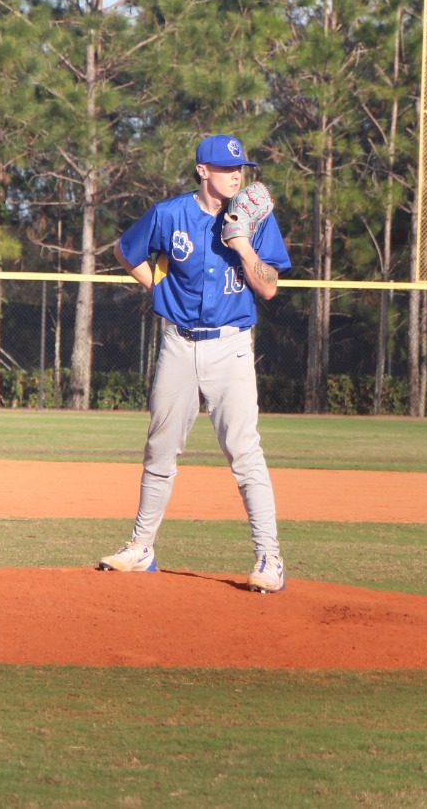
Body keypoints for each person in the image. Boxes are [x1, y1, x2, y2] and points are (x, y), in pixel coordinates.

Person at [97, 133, 293, 592]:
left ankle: (270, 557)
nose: (236, 175)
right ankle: (141, 548)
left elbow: (269, 288)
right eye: (226, 168)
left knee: (244, 453)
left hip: (231, 347)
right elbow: (125, 250)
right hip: (179, 346)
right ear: (203, 171)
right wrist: (157, 288)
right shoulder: (169, 214)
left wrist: (242, 244)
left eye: (240, 168)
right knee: (160, 450)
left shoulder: (255, 218)